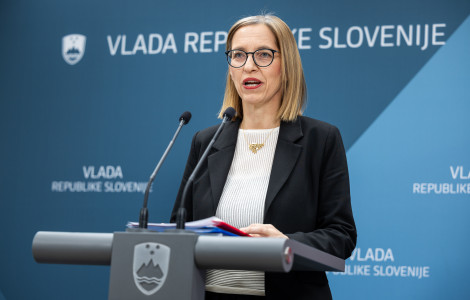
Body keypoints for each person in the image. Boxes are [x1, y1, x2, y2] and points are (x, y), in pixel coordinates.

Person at [171, 14, 356, 300]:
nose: (249, 66)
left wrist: (286, 243)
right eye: (238, 55)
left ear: (287, 65)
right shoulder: (206, 141)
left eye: (264, 55)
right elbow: (178, 228)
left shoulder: (321, 139)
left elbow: (341, 235)